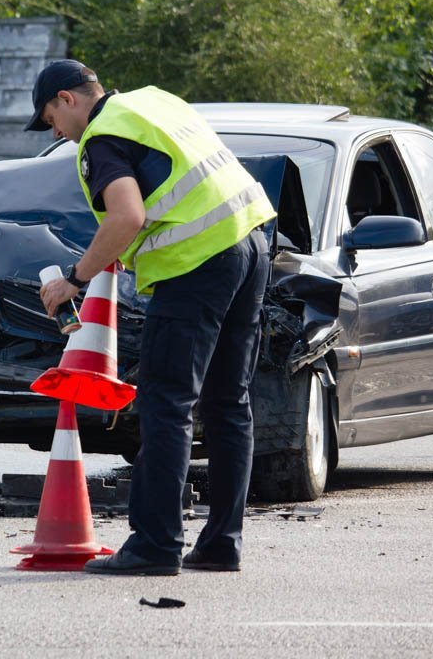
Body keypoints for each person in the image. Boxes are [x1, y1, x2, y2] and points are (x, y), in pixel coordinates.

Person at [31, 59, 275, 575]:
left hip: (196, 266)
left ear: (68, 100)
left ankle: (155, 545)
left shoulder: (101, 138)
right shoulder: (153, 100)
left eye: (50, 117)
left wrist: (73, 278)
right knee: (229, 403)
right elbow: (165, 194)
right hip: (251, 244)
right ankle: (221, 543)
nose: (55, 131)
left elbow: (127, 214)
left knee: (167, 405)